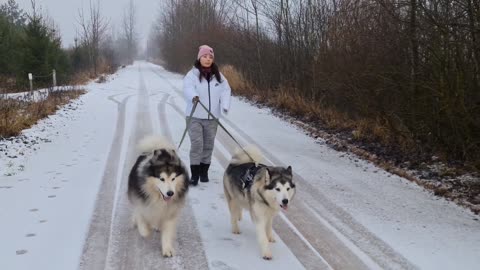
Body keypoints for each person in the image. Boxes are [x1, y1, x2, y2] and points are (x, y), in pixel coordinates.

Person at [183, 45, 231, 186]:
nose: (208, 59)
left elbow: (226, 91)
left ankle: (204, 172)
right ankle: (195, 175)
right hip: (194, 117)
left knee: (208, 145)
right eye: (205, 56)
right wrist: (194, 96)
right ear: (199, 58)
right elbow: (187, 87)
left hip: (212, 118)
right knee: (197, 144)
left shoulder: (219, 76)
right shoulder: (192, 75)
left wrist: (225, 105)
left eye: (210, 57)